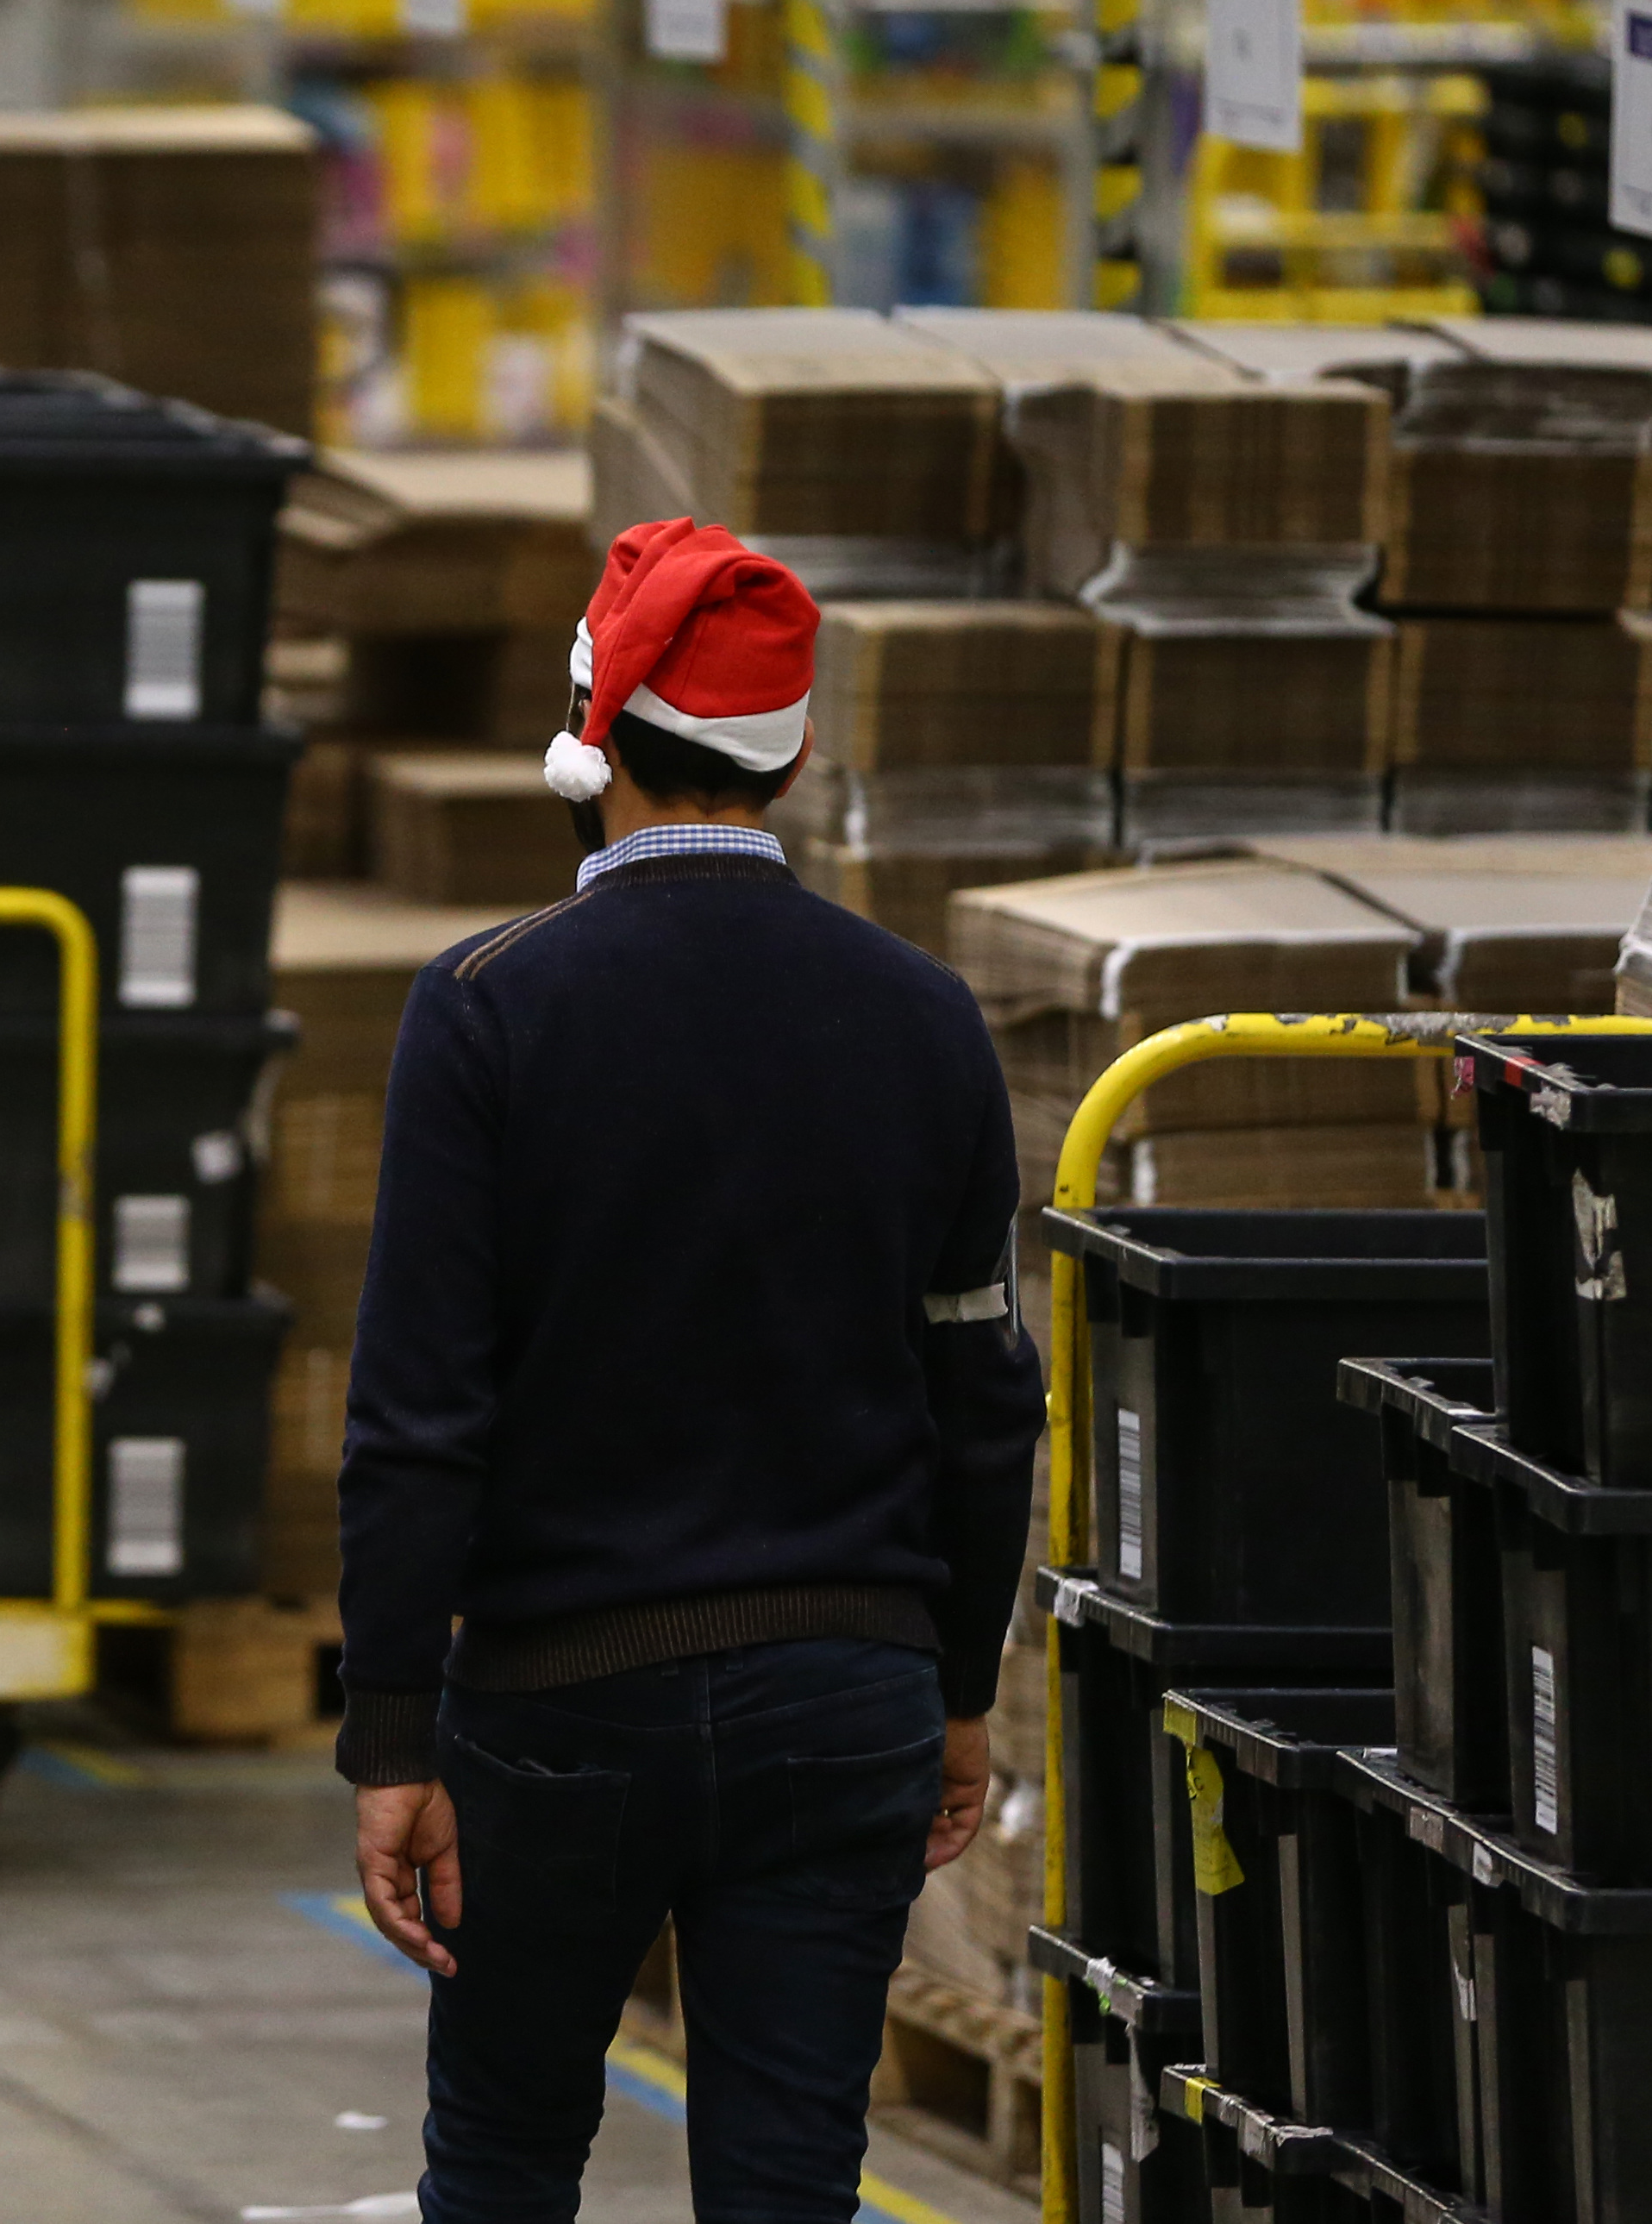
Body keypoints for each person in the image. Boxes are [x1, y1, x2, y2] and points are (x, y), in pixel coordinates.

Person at [335, 517, 1047, 2224]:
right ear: (793, 752)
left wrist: (387, 1739)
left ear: (594, 733)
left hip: (563, 1710)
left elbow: (421, 1414)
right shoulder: (926, 1018)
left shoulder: (490, 1008)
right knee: (791, 2180)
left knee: (503, 2158)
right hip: (847, 1694)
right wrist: (958, 1690)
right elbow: (982, 1394)